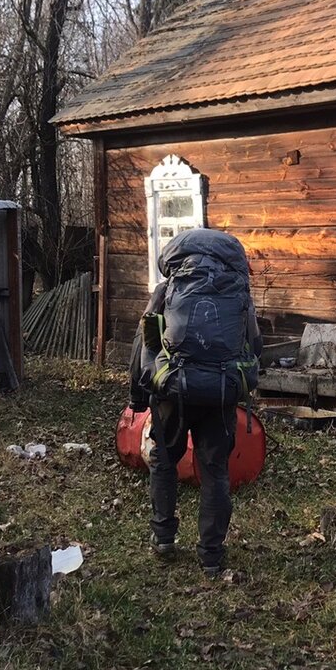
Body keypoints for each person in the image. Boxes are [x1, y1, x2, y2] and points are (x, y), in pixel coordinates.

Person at [129, 228, 261, 578]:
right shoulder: (239, 292)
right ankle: (211, 555)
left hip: (174, 389)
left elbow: (144, 339)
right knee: (216, 471)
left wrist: (139, 395)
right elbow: (255, 345)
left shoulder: (167, 289)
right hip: (220, 391)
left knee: (165, 459)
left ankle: (164, 538)